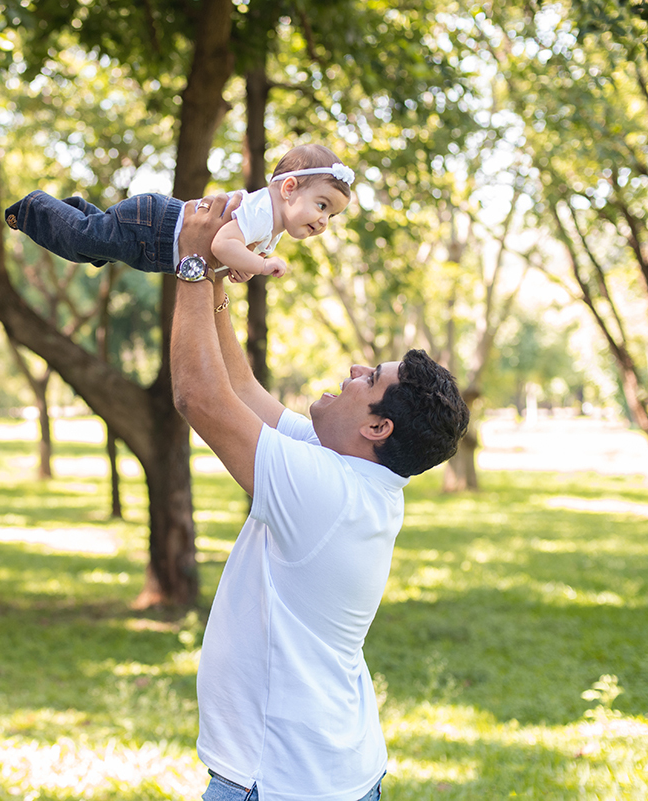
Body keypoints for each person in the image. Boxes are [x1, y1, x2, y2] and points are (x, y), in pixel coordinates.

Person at [169, 194, 470, 801]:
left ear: (377, 427)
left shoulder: (326, 493)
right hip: (329, 773)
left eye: (371, 379)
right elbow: (242, 389)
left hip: (280, 782)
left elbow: (200, 397)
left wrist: (192, 263)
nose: (356, 370)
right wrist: (225, 275)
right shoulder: (351, 470)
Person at [4, 144, 353, 283]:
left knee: (94, 249)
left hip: (158, 239)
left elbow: (230, 253)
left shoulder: (270, 228)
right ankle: (34, 207)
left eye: (332, 216)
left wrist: (243, 267)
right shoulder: (263, 211)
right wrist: (260, 265)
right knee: (86, 239)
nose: (323, 220)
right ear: (289, 188)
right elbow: (220, 246)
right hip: (157, 226)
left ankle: (74, 209)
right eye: (322, 205)